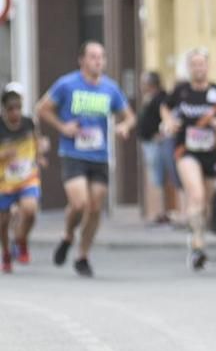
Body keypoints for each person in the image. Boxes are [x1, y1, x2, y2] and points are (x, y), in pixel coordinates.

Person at [36, 41, 135, 278]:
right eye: (93, 57)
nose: (98, 61)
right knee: (79, 203)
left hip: (99, 155)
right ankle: (68, 235)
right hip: (73, 153)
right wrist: (63, 126)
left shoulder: (110, 89)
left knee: (95, 207)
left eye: (101, 57)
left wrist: (124, 126)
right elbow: (42, 108)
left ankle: (83, 255)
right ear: (82, 60)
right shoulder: (67, 84)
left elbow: (129, 116)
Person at [160, 49, 216, 271]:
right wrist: (169, 122)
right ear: (189, 67)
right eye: (194, 64)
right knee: (196, 195)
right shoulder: (181, 91)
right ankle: (197, 247)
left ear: (208, 67)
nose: (198, 68)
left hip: (211, 152)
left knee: (206, 205)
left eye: (202, 64)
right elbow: (164, 106)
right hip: (186, 150)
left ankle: (197, 234)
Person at [0, 83, 48, 273]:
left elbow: (37, 141)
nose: (16, 113)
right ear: (4, 109)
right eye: (11, 109)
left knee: (30, 210)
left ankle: (21, 240)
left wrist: (40, 156)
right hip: (4, 182)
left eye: (18, 108)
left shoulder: (29, 123)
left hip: (27, 177)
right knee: (3, 222)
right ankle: (6, 253)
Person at [137, 71, 172, 224]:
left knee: (156, 177)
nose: (141, 86)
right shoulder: (148, 98)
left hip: (156, 142)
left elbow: (166, 118)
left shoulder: (161, 98)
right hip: (148, 141)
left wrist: (160, 133)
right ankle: (157, 211)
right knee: (154, 176)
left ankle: (158, 211)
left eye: (143, 83)